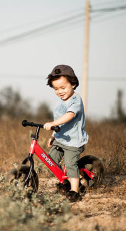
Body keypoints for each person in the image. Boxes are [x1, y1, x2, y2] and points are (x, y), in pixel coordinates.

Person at [43, 64, 88, 202]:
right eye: (56, 89)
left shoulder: (76, 100)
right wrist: (53, 135)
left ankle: (75, 190)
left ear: (73, 84)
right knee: (51, 160)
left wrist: (53, 124)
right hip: (60, 138)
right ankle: (65, 181)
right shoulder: (59, 103)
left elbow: (70, 115)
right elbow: (60, 121)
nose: (59, 91)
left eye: (63, 88)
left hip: (73, 142)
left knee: (70, 164)